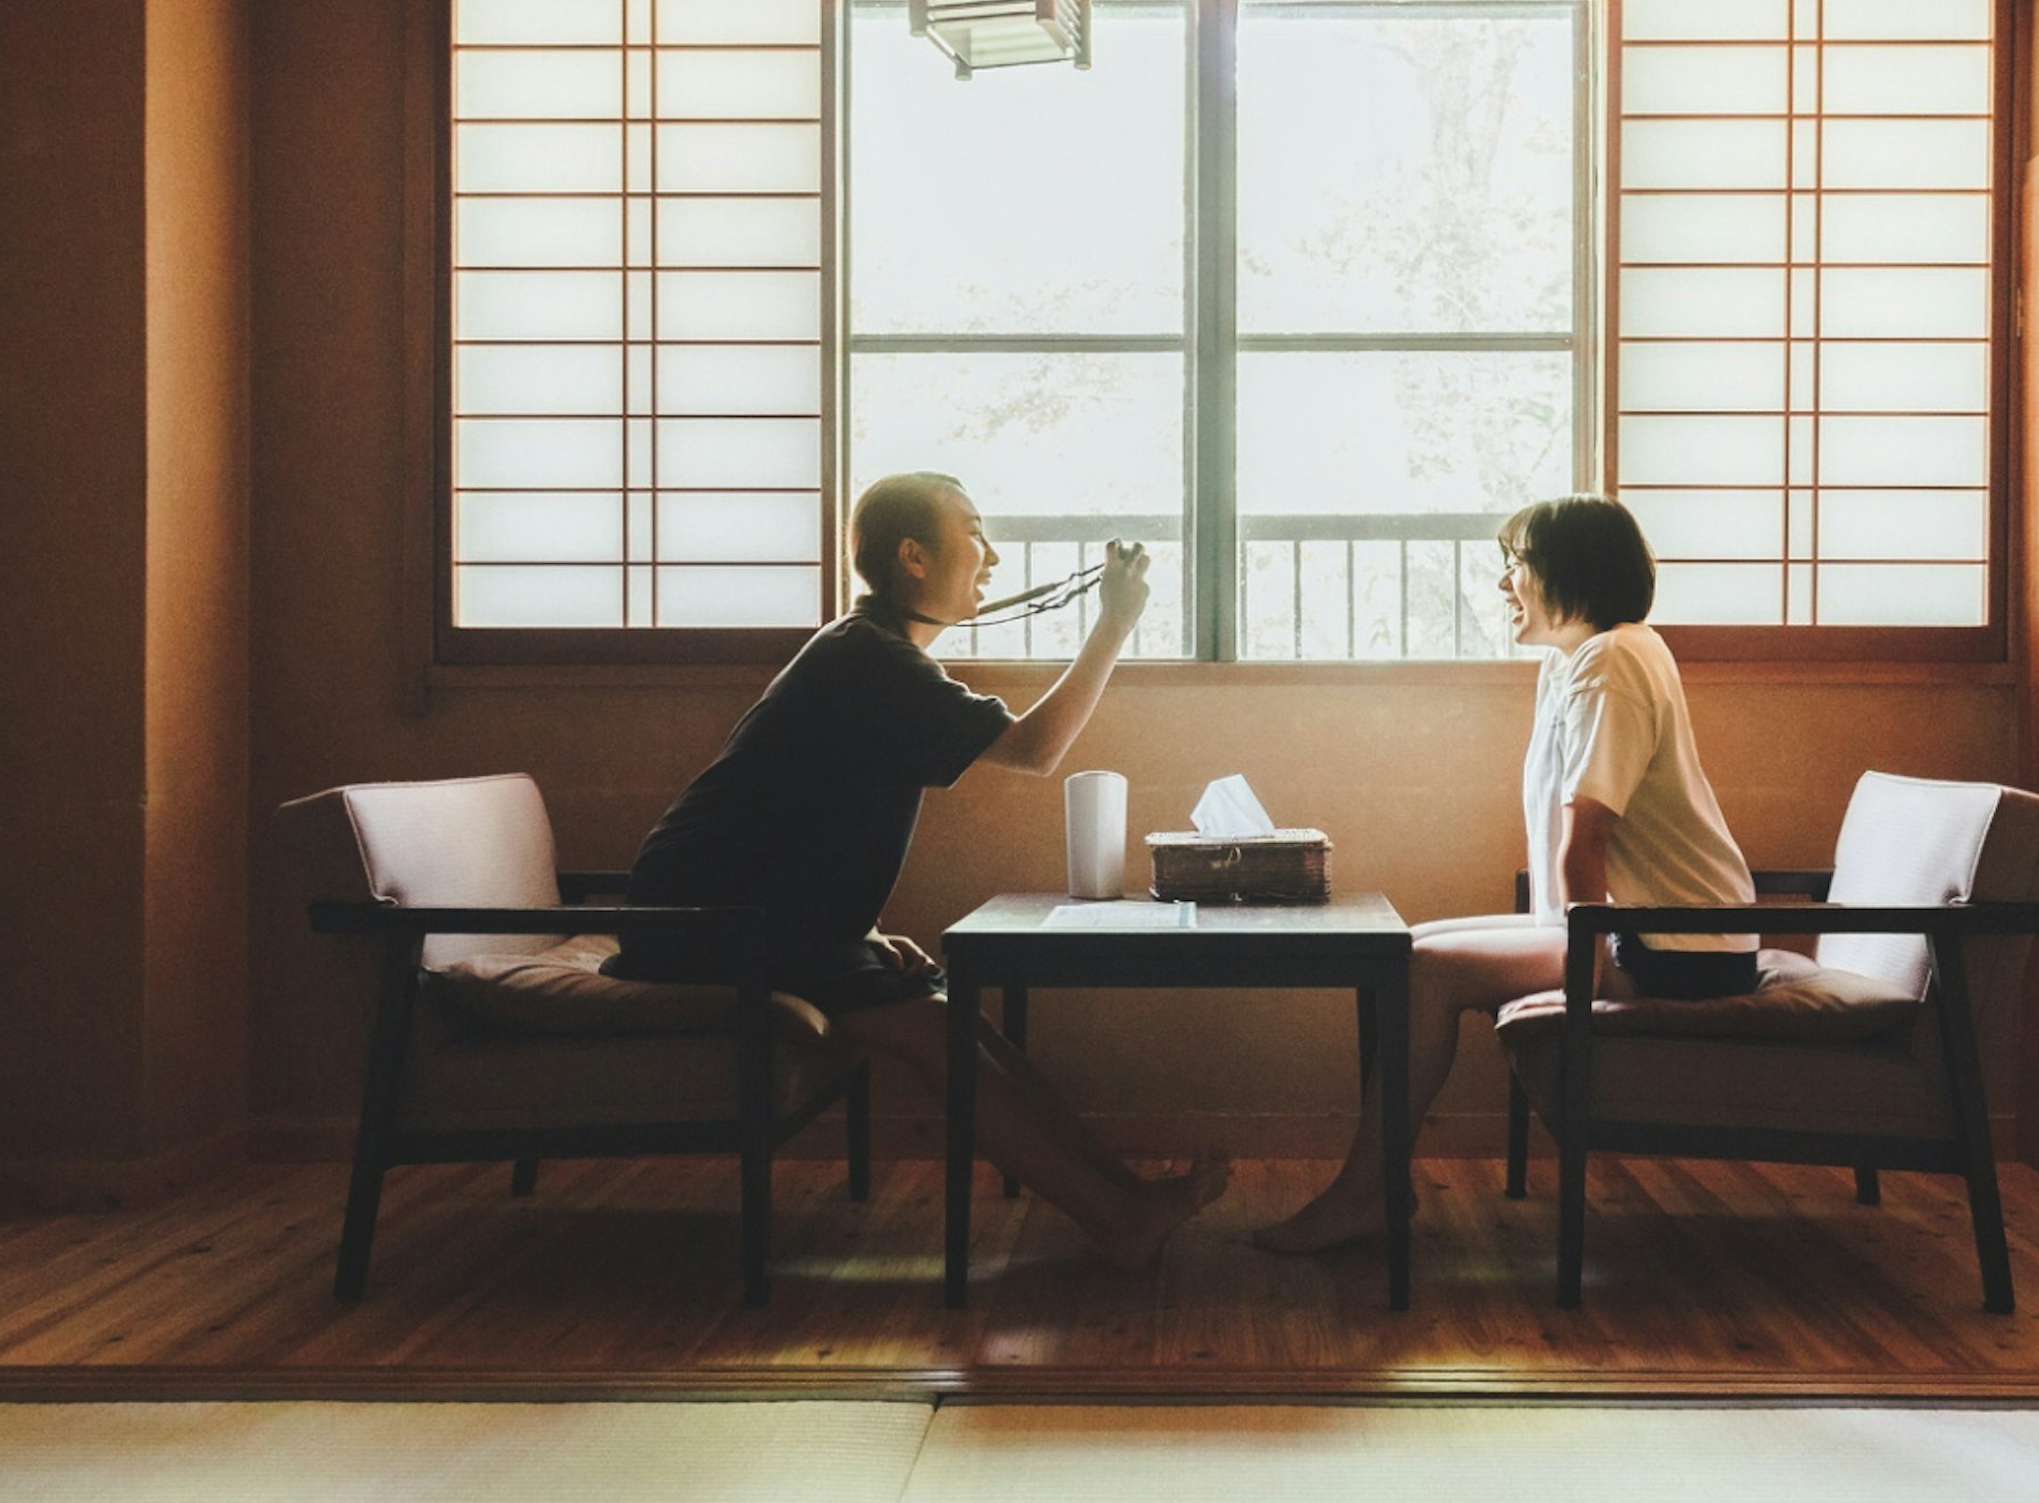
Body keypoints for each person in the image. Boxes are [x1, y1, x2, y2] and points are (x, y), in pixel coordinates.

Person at [614, 471, 1230, 1271]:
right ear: (912, 555)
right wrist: (1113, 624)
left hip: (753, 911)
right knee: (937, 1031)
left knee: (957, 1018)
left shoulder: (869, 651)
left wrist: (859, 932)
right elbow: (1035, 750)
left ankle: (1125, 1200)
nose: (995, 557)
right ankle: (1118, 1216)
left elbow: (794, 814)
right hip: (704, 920)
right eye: (974, 531)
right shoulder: (871, 659)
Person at [1254, 493, 1757, 1255]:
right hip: (1639, 928)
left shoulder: (1613, 659)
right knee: (1406, 945)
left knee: (1422, 971)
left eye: (1515, 565)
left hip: (1670, 947)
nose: (1502, 585)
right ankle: (1375, 1184)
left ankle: (1368, 1192)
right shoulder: (1579, 659)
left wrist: (1580, 976)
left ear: (1568, 571)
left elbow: (1586, 837)